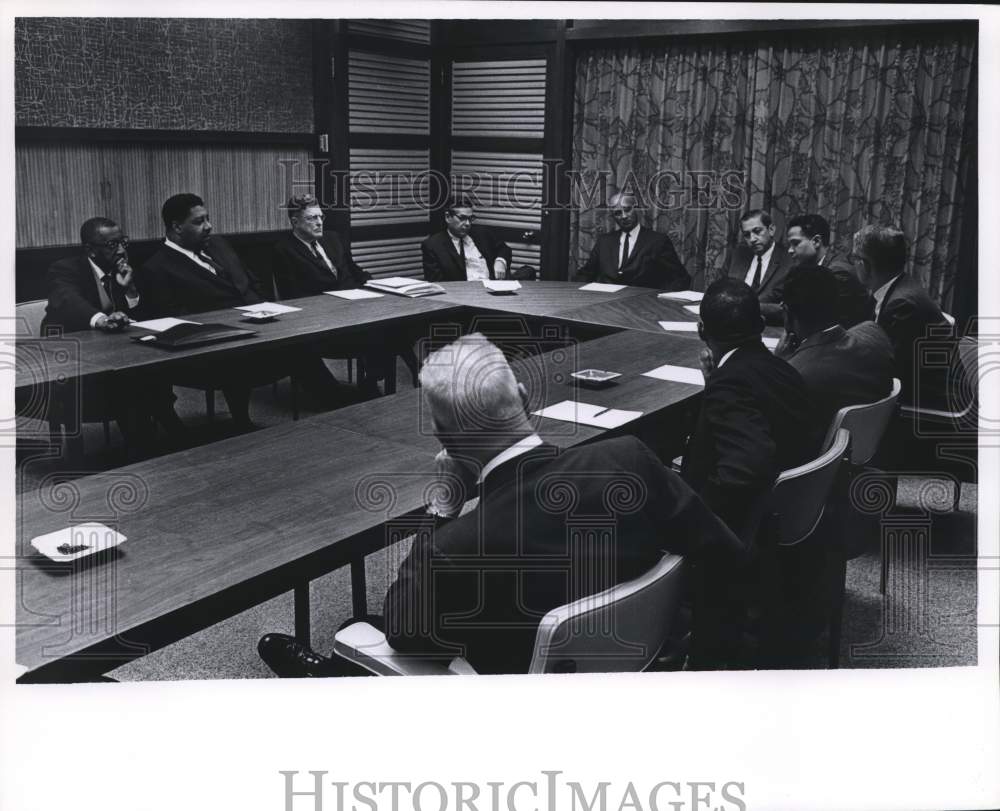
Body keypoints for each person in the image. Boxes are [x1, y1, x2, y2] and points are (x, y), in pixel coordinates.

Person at [257, 334, 746, 675]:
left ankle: (325, 680)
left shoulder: (455, 545)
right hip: (644, 665)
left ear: (447, 443)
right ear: (526, 398)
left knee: (358, 629)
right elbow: (725, 552)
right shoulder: (630, 459)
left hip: (509, 702)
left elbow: (405, 632)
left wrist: (442, 511)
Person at [140, 193, 344, 428]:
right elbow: (178, 320)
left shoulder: (218, 244)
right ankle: (245, 420)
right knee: (279, 353)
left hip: (257, 330)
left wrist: (267, 311)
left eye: (208, 218)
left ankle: (338, 407)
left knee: (300, 340)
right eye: (199, 222)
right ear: (176, 227)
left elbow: (252, 282)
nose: (209, 226)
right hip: (215, 350)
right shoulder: (157, 268)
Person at [681, 279, 818, 542]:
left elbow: (744, 472)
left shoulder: (729, 383)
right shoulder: (786, 370)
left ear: (701, 331)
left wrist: (692, 517)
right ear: (762, 326)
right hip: (792, 510)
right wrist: (715, 385)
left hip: (738, 536)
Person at [777, 264, 895, 431]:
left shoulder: (793, 376)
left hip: (818, 454)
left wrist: (778, 365)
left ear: (786, 312)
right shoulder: (875, 333)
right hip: (869, 445)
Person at [851, 224, 955, 408]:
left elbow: (887, 370)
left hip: (927, 402)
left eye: (854, 258)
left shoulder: (902, 304)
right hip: (918, 389)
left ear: (865, 264)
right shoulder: (897, 288)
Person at [575, 192, 690, 290]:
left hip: (642, 306)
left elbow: (680, 278)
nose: (624, 216)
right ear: (613, 217)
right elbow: (585, 274)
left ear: (636, 209)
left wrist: (659, 301)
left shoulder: (658, 241)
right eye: (618, 213)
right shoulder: (604, 242)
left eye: (627, 209)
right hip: (605, 306)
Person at [272, 194, 370, 297]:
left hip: (355, 298)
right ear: (295, 222)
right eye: (312, 218)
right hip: (323, 305)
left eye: (321, 217)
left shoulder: (333, 238)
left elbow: (353, 269)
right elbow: (292, 294)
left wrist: (373, 285)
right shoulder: (284, 250)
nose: (319, 223)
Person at [785, 213, 874, 326]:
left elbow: (822, 322)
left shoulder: (838, 274)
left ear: (816, 241)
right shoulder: (818, 269)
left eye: (795, 243)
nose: (790, 250)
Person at [421, 197, 512, 282]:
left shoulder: (482, 234)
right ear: (448, 217)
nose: (468, 224)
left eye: (470, 218)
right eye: (462, 218)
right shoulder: (433, 245)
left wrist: (500, 261)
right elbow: (437, 283)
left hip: (492, 289)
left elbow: (504, 249)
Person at [727, 209, 792, 325]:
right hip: (732, 323)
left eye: (757, 231)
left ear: (771, 230)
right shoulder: (737, 255)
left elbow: (789, 310)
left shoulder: (789, 261)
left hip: (769, 327)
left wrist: (745, 307)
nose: (752, 239)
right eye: (747, 235)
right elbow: (721, 290)